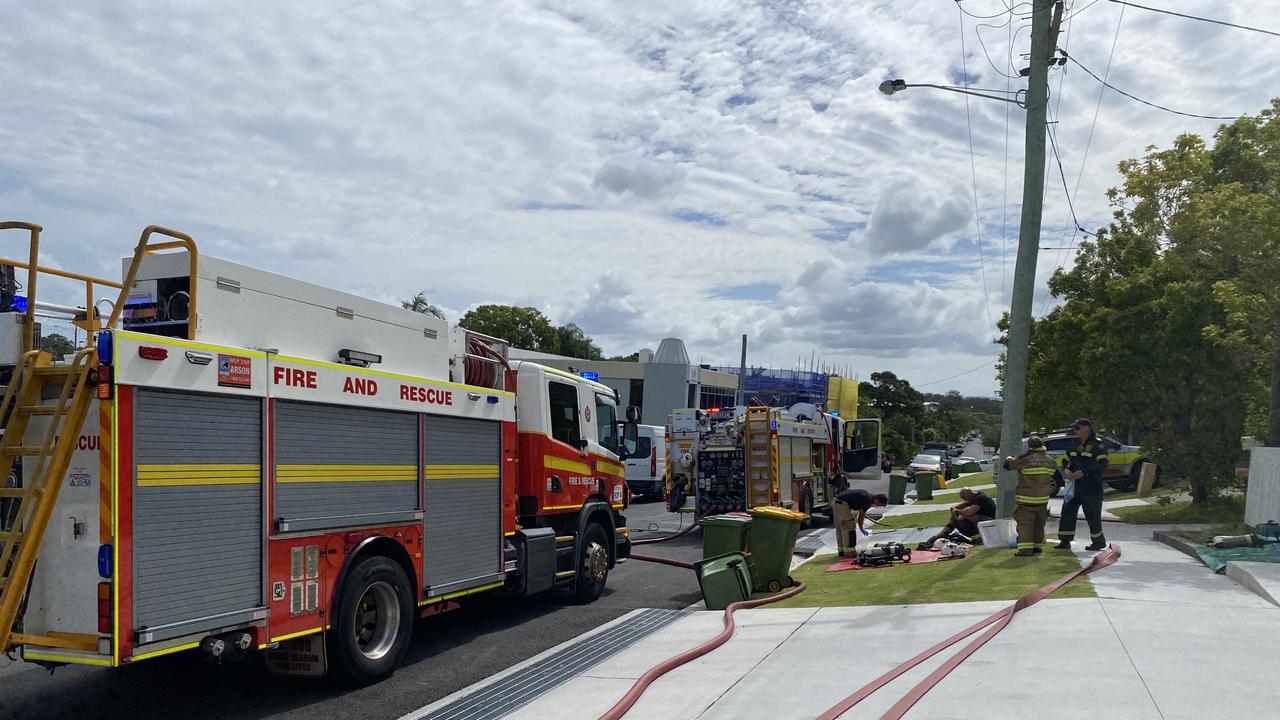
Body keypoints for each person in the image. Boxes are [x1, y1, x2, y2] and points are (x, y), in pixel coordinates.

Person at [1055, 418, 1109, 551]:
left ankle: (1098, 541)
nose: (1075, 431)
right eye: (1075, 428)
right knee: (1067, 512)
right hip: (1074, 486)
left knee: (1092, 515)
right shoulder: (1075, 444)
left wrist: (1084, 472)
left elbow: (1102, 464)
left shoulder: (1098, 445)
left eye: (1078, 428)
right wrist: (1067, 469)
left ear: (1087, 428)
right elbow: (1067, 460)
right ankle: (1065, 540)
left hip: (1091, 486)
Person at [1004, 435, 1056, 556]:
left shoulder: (1025, 458)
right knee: (1039, 524)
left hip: (1027, 498)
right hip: (1043, 499)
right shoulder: (1050, 460)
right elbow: (1051, 473)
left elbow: (1008, 465)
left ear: (1030, 446)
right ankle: (1037, 547)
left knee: (1025, 525)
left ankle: (1025, 550)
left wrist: (1009, 458)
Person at [921, 487, 996, 547]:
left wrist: (957, 511)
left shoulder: (980, 498)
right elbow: (961, 505)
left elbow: (969, 512)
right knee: (957, 518)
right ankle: (942, 534)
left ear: (967, 495)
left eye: (964, 497)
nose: (964, 500)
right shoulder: (974, 497)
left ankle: (976, 536)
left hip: (990, 521)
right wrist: (954, 509)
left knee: (964, 518)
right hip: (984, 521)